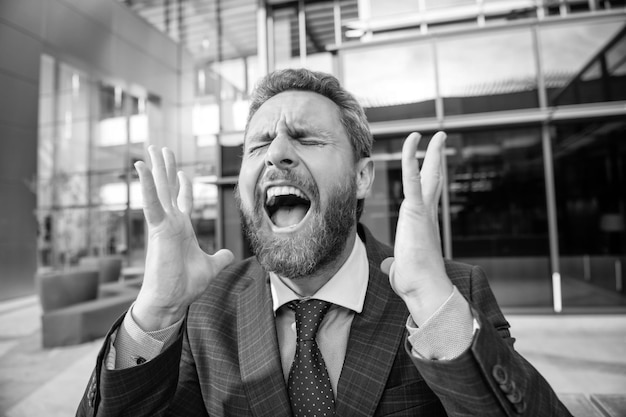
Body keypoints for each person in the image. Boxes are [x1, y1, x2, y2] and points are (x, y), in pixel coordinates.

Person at [76, 68, 572, 417]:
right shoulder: (205, 311)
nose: (276, 155)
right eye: (258, 145)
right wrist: (156, 313)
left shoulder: (450, 293)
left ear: (361, 177)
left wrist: (434, 307)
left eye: (307, 139)